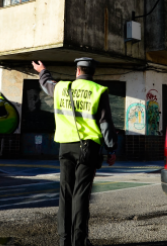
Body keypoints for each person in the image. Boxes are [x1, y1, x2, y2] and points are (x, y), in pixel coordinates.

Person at [32, 58, 117, 246]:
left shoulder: (62, 88)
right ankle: (79, 240)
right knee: (81, 195)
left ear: (78, 71)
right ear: (92, 73)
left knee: (65, 193)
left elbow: (46, 83)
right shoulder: (98, 91)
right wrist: (111, 149)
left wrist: (42, 70)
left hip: (65, 147)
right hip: (88, 148)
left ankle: (64, 240)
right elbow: (105, 124)